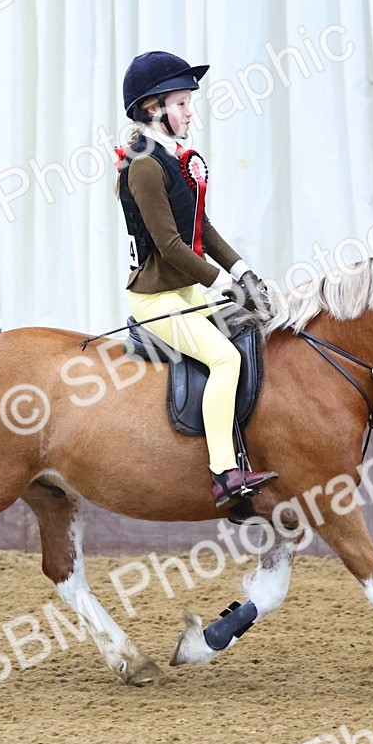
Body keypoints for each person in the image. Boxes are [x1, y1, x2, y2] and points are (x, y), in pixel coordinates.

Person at [115, 50, 278, 508]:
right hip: (156, 299)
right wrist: (220, 283)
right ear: (154, 109)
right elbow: (169, 246)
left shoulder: (173, 158)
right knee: (225, 360)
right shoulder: (144, 165)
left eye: (189, 103)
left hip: (184, 291)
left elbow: (200, 227)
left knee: (253, 331)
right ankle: (224, 472)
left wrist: (243, 270)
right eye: (183, 103)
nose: (191, 112)